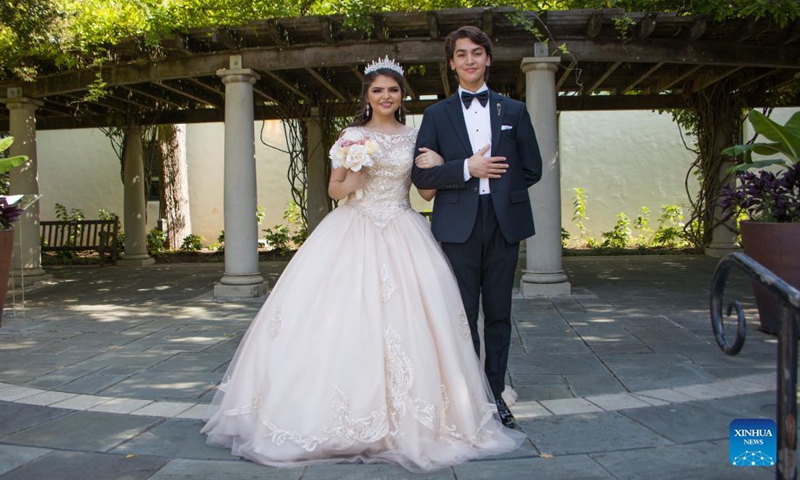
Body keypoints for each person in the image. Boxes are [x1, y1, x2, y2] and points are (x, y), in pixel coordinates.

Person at [201, 56, 526, 472]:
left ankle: (419, 417)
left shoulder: (416, 135)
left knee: (415, 323)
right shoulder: (352, 135)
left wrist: (440, 168)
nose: (385, 97)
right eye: (378, 91)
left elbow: (425, 195)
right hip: (352, 229)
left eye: (392, 91)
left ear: (401, 96)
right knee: (339, 320)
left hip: (404, 230)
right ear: (367, 96)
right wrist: (356, 174)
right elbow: (336, 189)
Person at [411, 26, 543, 429]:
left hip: (503, 222)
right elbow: (422, 179)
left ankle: (496, 395)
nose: (469, 60)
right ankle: (468, 399)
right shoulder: (436, 115)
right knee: (462, 315)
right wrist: (467, 168)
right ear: (451, 64)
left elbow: (532, 168)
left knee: (499, 314)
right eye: (461, 54)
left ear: (488, 58)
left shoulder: (514, 111)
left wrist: (497, 180)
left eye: (476, 53)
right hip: (456, 226)